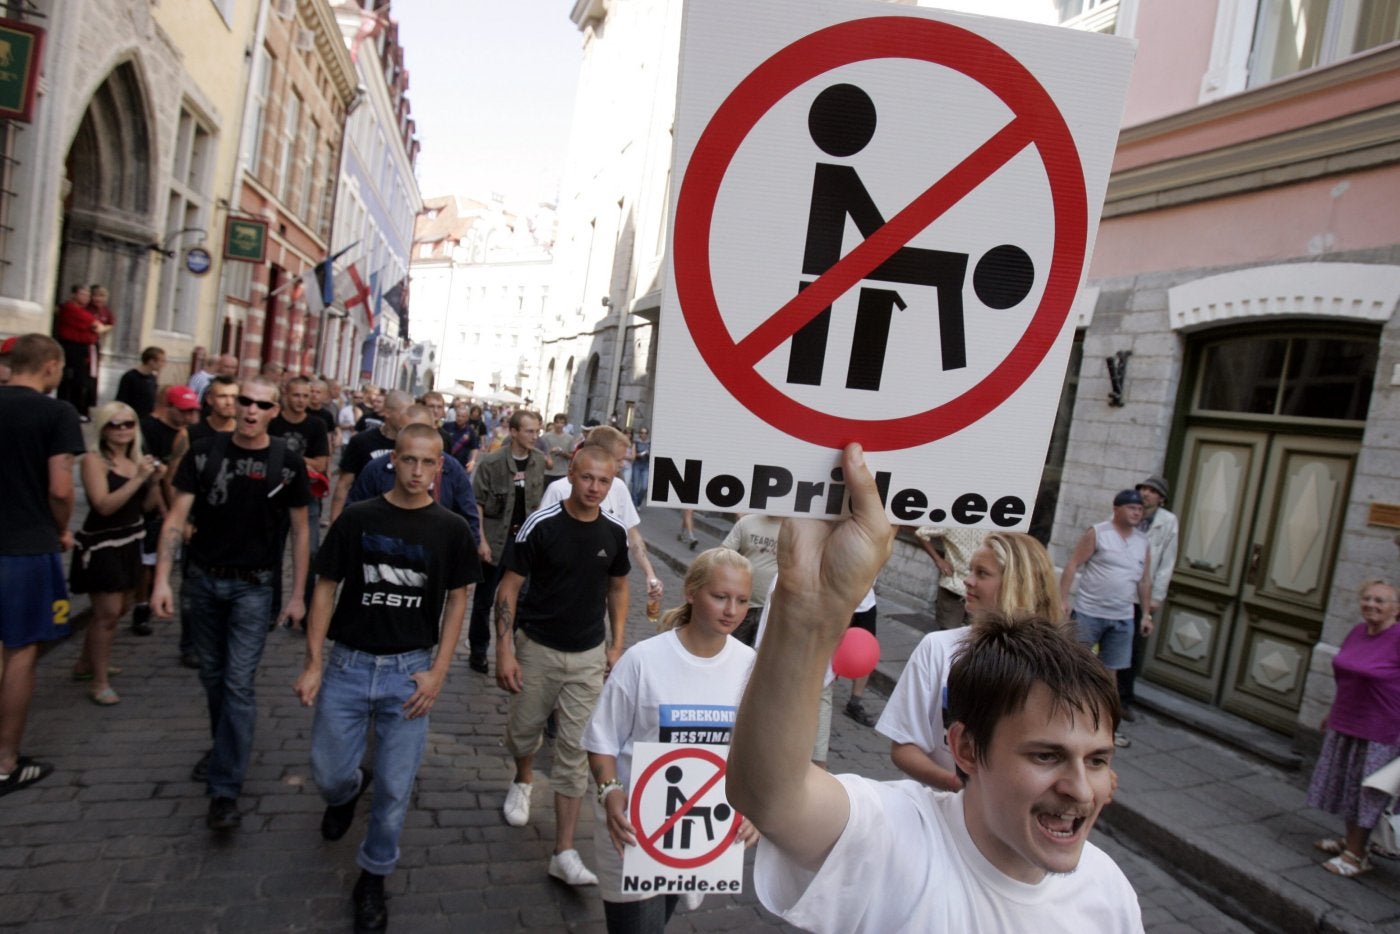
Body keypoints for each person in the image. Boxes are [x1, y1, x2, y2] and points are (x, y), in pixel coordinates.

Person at [727, 446, 1143, 932]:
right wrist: (808, 608)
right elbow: (771, 798)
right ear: (965, 747)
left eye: (1097, 760)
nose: (1080, 789)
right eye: (1045, 756)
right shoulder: (895, 841)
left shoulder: (1109, 895)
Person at [295, 423, 481, 933]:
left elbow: (460, 597)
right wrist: (313, 662)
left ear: (439, 468)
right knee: (329, 772)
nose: (417, 472)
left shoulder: (450, 529)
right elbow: (326, 586)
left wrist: (439, 672)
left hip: (408, 671)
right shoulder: (358, 518)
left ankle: (374, 875)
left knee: (396, 789)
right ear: (392, 462)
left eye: (428, 463)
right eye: (409, 461)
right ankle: (346, 791)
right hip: (349, 665)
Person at [151, 375, 311, 831]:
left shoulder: (287, 462)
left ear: (274, 411)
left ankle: (225, 789)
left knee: (238, 684)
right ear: (233, 404)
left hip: (253, 588)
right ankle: (224, 746)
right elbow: (176, 519)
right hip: (201, 581)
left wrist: (298, 594)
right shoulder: (203, 452)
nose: (251, 410)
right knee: (213, 676)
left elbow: (301, 532)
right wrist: (162, 580)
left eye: (262, 404)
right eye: (245, 401)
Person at [584, 547, 760, 931]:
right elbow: (602, 738)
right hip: (631, 830)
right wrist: (610, 791)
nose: (732, 610)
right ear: (691, 592)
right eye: (720, 596)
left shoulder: (750, 666)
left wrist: (755, 807)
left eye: (742, 600)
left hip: (701, 834)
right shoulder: (643, 660)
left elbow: (757, 750)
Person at [495, 443, 631, 887]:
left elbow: (618, 589)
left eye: (604, 481)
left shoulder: (613, 533)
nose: (594, 487)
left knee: (575, 753)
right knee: (524, 730)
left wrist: (616, 644)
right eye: (588, 477)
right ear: (571, 474)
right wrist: (504, 649)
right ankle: (523, 778)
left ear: (613, 484)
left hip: (589, 655)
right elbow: (509, 588)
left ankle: (564, 851)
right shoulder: (541, 525)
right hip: (537, 647)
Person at [878, 531, 1062, 790]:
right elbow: (903, 747)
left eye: (982, 573)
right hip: (936, 814)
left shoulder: (1060, 663)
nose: (967, 580)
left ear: (1017, 583)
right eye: (970, 570)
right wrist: (960, 786)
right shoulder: (938, 648)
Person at [0, 335, 85, 797]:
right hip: (26, 548)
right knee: (19, 653)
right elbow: (59, 486)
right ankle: (5, 761)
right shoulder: (57, 413)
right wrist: (63, 526)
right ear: (51, 367)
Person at [69, 402, 165, 705]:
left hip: (130, 541)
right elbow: (104, 506)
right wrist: (138, 478)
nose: (122, 430)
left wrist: (155, 482)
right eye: (115, 424)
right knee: (107, 613)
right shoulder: (93, 461)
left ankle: (87, 662)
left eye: (128, 424)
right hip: (102, 544)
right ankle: (98, 682)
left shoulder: (135, 459)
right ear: (102, 428)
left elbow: (147, 508)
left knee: (120, 608)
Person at [1307, 579, 1400, 879]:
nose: (1371, 605)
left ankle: (1357, 856)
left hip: (1381, 728)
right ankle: (1351, 842)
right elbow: (1347, 677)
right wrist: (1332, 711)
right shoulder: (1358, 632)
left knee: (1368, 793)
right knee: (1348, 785)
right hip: (1347, 720)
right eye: (1367, 598)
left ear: (1396, 609)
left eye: (1381, 601)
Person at [538, 425, 664, 617]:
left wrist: (650, 574)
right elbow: (539, 539)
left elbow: (632, 533)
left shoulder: (619, 487)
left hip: (600, 594)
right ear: (601, 454)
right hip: (556, 593)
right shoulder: (559, 490)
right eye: (620, 459)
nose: (623, 464)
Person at [1059, 488, 1152, 746]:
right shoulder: (1098, 533)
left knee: (1110, 676)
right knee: (1074, 666)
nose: (1137, 513)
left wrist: (1145, 614)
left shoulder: (1142, 542)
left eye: (1140, 509)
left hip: (1122, 617)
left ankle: (1106, 729)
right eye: (1132, 508)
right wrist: (1063, 599)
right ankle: (1062, 720)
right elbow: (1073, 564)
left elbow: (1145, 580)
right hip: (1090, 612)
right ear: (1117, 509)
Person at [467, 410, 547, 674]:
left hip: (524, 543)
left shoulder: (537, 461)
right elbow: (476, 503)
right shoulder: (491, 462)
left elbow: (539, 504)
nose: (535, 436)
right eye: (529, 431)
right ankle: (478, 651)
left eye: (537, 431)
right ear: (513, 432)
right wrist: (481, 540)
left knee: (522, 600)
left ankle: (516, 653)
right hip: (495, 539)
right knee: (484, 599)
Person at [347, 404, 482, 548]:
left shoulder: (452, 470)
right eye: (405, 431)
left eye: (420, 431)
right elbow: (354, 517)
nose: (417, 471)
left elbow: (469, 520)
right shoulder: (377, 468)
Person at [133, 385, 200, 645]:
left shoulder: (185, 434)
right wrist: (164, 508)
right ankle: (141, 605)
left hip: (174, 503)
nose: (188, 416)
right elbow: (155, 474)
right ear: (168, 407)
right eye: (183, 411)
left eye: (192, 411)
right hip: (150, 500)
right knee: (147, 560)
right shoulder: (147, 428)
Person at [269, 375, 330, 621]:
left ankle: (304, 610)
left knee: (311, 552)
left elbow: (322, 463)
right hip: (274, 498)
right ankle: (271, 611)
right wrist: (304, 461)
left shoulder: (316, 425)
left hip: (307, 497)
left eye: (306, 396)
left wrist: (286, 456)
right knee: (272, 553)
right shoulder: (273, 423)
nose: (301, 400)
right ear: (286, 395)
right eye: (296, 395)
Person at [1120, 475, 1178, 721]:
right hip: (1118, 589)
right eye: (1143, 488)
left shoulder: (1167, 522)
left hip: (1141, 594)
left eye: (1152, 491)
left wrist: (1157, 596)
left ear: (1161, 498)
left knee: (1131, 650)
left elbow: (1167, 560)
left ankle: (1123, 699)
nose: (1146, 493)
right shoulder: (1129, 512)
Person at [332, 389, 410, 524]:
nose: (410, 417)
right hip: (363, 517)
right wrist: (335, 522)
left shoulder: (413, 445)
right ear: (387, 412)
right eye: (406, 412)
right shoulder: (362, 441)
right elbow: (343, 484)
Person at [721, 513, 781, 645]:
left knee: (760, 658)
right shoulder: (747, 522)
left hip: (772, 610)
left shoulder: (794, 531)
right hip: (740, 605)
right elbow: (723, 556)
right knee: (732, 649)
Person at [913, 527, 987, 631]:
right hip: (953, 585)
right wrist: (938, 560)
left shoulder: (988, 523)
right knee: (947, 632)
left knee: (976, 634)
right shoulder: (951, 521)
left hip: (980, 590)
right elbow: (920, 533)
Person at [54, 284, 105, 417]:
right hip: (72, 347)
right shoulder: (71, 309)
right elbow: (98, 326)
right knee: (73, 380)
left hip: (84, 348)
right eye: (83, 294)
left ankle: (79, 409)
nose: (86, 298)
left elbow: (102, 327)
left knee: (83, 380)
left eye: (88, 295)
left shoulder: (86, 310)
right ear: (74, 294)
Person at [115, 346, 166, 418]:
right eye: (161, 361)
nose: (163, 365)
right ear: (151, 361)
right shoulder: (130, 377)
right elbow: (121, 400)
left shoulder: (152, 378)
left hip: (146, 419)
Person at [188, 375, 238, 445]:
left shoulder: (244, 434)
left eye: (234, 397)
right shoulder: (191, 433)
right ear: (209, 399)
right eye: (222, 396)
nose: (229, 402)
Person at [539, 413, 574, 486]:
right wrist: (549, 452)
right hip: (547, 472)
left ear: (565, 424)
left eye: (562, 423)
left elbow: (571, 456)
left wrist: (561, 452)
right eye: (557, 422)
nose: (559, 425)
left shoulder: (570, 438)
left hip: (562, 472)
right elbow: (539, 453)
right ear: (554, 423)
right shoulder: (545, 437)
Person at [629, 427, 651, 507]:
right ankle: (634, 504)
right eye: (642, 433)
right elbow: (633, 454)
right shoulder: (636, 442)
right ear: (639, 434)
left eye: (645, 433)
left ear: (647, 434)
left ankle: (638, 501)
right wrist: (640, 454)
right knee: (635, 486)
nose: (643, 434)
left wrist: (649, 454)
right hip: (637, 465)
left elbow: (653, 455)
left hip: (645, 466)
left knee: (644, 487)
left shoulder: (650, 443)